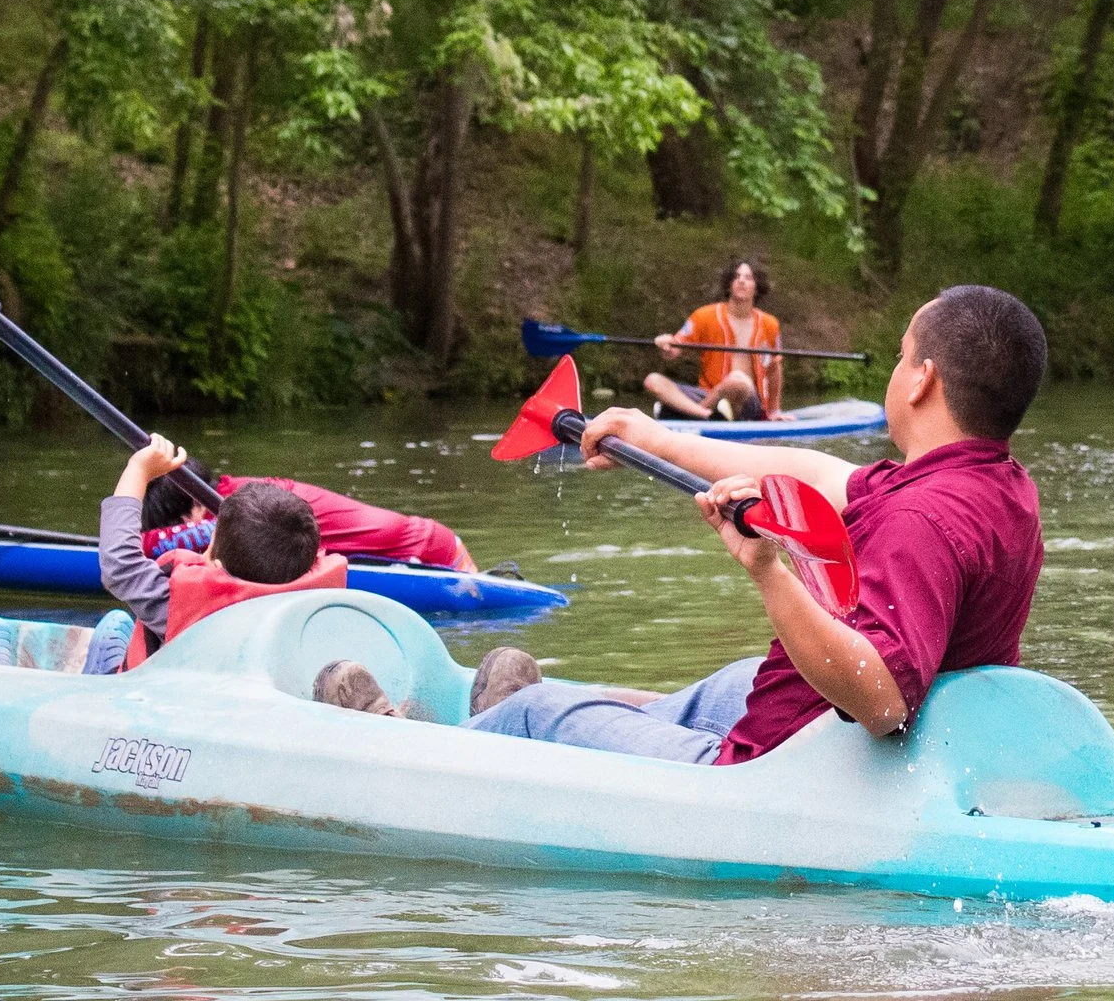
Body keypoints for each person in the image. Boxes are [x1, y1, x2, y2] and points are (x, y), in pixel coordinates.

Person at [316, 285, 1049, 763]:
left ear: (921, 378)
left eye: (899, 357)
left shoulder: (923, 517)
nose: (895, 372)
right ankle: (508, 717)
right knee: (725, 685)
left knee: (541, 715)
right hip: (817, 727)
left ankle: (426, 743)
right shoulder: (996, 486)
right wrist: (648, 434)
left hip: (782, 770)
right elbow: (817, 476)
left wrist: (769, 571)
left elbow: (883, 694)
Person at [100, 436, 347, 654]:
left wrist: (138, 471)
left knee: (112, 627)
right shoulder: (313, 612)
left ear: (216, 566)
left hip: (165, 694)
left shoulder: (177, 606)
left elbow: (120, 564)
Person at [140, 458, 476, 572]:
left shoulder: (243, 504)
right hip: (433, 541)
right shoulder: (233, 493)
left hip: (434, 555)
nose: (180, 528)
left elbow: (160, 543)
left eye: (176, 521)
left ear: (194, 509)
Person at [645, 260, 782, 422]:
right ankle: (704, 414)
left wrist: (774, 411)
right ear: (729, 284)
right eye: (736, 277)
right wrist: (666, 344)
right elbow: (672, 351)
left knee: (738, 381)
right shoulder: (704, 316)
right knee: (653, 380)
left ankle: (685, 412)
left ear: (757, 287)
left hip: (749, 402)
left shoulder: (770, 324)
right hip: (709, 395)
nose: (741, 281)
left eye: (749, 277)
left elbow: (774, 370)